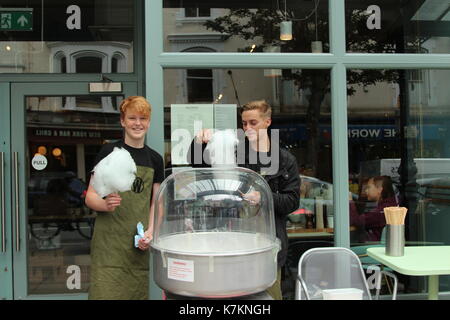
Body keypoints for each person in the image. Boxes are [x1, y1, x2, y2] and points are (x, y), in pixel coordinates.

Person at [188, 100, 300, 300]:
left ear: (268, 122)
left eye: (253, 123)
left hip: (269, 246)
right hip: (234, 243)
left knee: (269, 297)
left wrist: (264, 197)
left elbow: (292, 201)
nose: (247, 128)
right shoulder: (234, 152)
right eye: (244, 123)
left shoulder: (285, 160)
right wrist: (199, 141)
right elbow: (197, 163)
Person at [85, 96, 164, 300]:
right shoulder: (109, 151)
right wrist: (104, 204)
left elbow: (156, 202)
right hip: (108, 243)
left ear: (149, 122)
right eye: (132, 118)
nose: (138, 123)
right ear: (122, 121)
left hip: (137, 244)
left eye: (143, 118)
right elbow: (90, 196)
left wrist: (151, 231)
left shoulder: (155, 159)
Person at [349, 175, 397, 242]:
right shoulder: (389, 205)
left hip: (374, 247)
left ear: (379, 189)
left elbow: (357, 221)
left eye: (369, 187)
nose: (366, 190)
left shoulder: (383, 211)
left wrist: (350, 202)